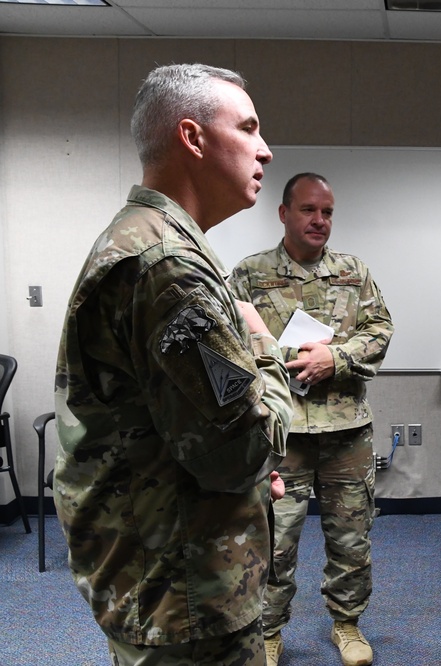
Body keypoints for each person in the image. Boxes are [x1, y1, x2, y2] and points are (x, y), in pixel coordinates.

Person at [53, 63, 293, 665]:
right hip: (183, 594)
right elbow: (243, 447)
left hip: (164, 568)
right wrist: (262, 341)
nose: (265, 150)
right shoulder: (170, 268)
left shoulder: (149, 239)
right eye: (248, 128)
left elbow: (187, 429)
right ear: (193, 139)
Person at [229, 172, 394, 666]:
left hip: (346, 432)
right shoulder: (249, 274)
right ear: (284, 213)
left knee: (351, 537)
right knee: (273, 541)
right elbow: (226, 342)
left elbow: (380, 330)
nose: (320, 220)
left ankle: (347, 625)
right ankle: (269, 631)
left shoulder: (353, 271)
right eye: (309, 210)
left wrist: (336, 359)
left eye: (327, 212)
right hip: (280, 434)